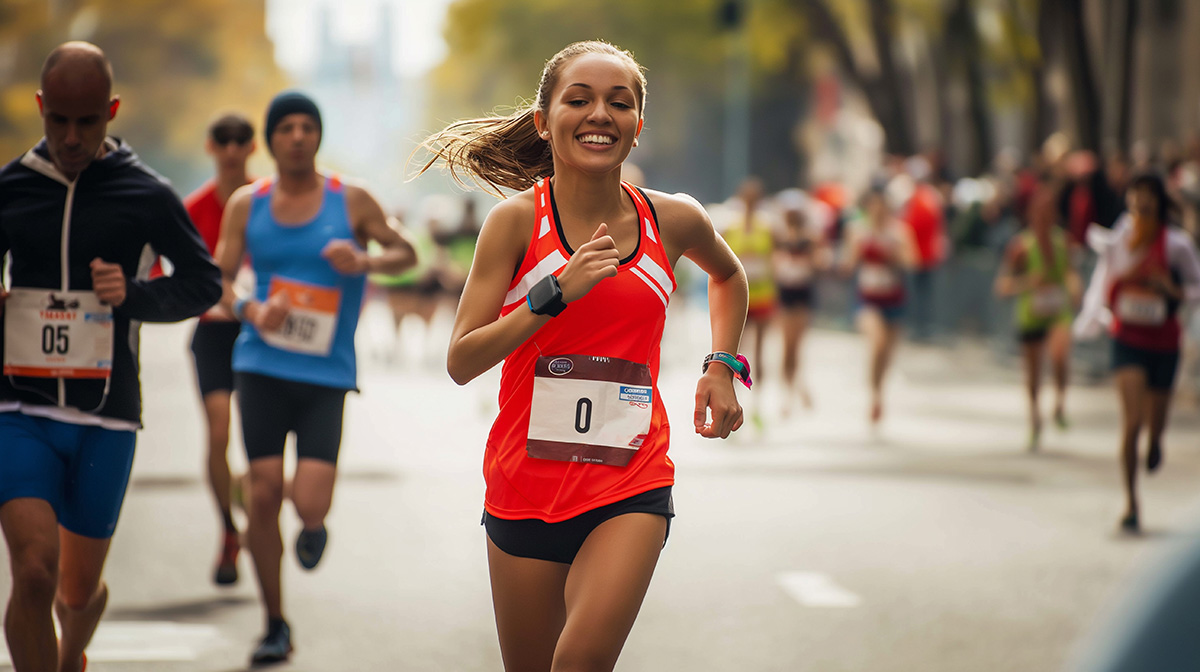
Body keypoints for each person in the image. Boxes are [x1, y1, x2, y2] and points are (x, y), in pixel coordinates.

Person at [417, 40, 749, 672]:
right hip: (524, 485)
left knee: (581, 662)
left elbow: (730, 278)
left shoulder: (672, 220)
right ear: (544, 121)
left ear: (636, 128)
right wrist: (554, 293)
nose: (600, 114)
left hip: (631, 480)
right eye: (580, 99)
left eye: (618, 103)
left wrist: (721, 366)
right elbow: (461, 360)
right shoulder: (515, 224)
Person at [0, 42, 221, 672]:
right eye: (58, 120)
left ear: (111, 111)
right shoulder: (11, 188)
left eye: (87, 121)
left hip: (107, 415)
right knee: (34, 573)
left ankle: (73, 652)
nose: (71, 137)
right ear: (41, 109)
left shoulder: (144, 192)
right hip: (20, 407)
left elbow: (203, 282)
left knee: (75, 591)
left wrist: (135, 295)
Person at [214, 91, 417, 664]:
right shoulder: (245, 204)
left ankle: (311, 524)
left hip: (326, 374)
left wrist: (367, 261)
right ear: (271, 139)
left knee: (307, 502)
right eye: (286, 128)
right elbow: (221, 280)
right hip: (260, 363)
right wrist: (250, 309)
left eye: (308, 127)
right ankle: (274, 621)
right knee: (261, 493)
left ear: (318, 137)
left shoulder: (349, 199)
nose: (298, 136)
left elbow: (406, 254)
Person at [1075, 173, 1200, 533]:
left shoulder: (1176, 245)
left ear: (1159, 202)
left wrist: (1171, 288)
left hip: (1163, 341)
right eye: (1135, 199)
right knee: (1132, 423)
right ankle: (1131, 503)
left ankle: (1157, 440)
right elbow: (1102, 279)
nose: (1140, 206)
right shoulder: (1119, 241)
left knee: (1154, 424)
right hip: (1127, 338)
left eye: (1147, 199)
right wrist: (1094, 315)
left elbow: (1195, 288)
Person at [181, 113, 257, 586]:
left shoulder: (268, 201)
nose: (231, 148)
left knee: (259, 439)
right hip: (212, 331)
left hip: (261, 332)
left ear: (252, 147)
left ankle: (257, 501)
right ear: (211, 146)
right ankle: (229, 529)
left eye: (240, 140)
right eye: (223, 140)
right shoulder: (194, 208)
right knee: (218, 431)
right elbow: (172, 268)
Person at [994, 186, 1080, 451]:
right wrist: (1028, 283)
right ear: (1031, 214)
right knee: (1033, 372)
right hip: (1031, 314)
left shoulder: (1063, 242)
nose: (1044, 216)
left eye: (1049, 211)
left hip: (1057, 311)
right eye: (1039, 211)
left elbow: (1070, 272)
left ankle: (1060, 403)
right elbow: (1002, 286)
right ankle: (1034, 419)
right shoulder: (1020, 247)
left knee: (1059, 354)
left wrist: (1075, 287)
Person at [841, 185, 918, 425]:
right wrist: (859, 253)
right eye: (873, 206)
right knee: (878, 343)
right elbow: (847, 266)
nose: (877, 211)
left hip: (894, 298)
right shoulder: (857, 230)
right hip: (868, 299)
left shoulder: (899, 231)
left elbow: (913, 261)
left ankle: (880, 390)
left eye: (882, 206)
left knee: (887, 353)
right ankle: (874, 395)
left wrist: (893, 255)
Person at [721, 176, 775, 428]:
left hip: (763, 296)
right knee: (735, 355)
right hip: (739, 299)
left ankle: (758, 405)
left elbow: (772, 263)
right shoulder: (731, 227)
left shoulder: (767, 228)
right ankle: (734, 403)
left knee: (760, 354)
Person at [773, 189, 830, 414]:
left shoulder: (810, 239)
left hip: (803, 295)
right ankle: (789, 392)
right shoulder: (779, 238)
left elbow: (820, 263)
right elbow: (773, 264)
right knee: (787, 346)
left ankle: (797, 386)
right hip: (785, 294)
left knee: (797, 345)